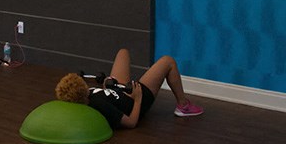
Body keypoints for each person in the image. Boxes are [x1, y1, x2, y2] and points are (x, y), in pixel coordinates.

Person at [55, 48, 203, 130]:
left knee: (122, 53)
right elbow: (131, 123)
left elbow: (107, 96)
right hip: (134, 99)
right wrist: (138, 98)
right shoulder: (99, 105)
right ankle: (183, 106)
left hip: (120, 90)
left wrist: (106, 85)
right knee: (168, 61)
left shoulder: (89, 95)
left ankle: (115, 83)